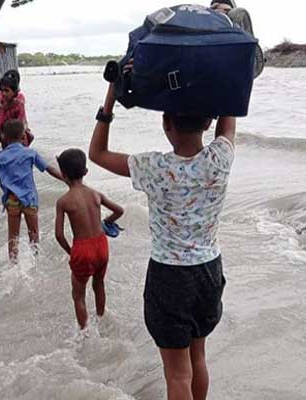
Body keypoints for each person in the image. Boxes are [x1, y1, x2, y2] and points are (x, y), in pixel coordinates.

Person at [88, 78, 235, 400]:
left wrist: (111, 98)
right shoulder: (219, 160)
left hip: (169, 276)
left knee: (177, 374)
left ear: (165, 123)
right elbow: (230, 116)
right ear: (208, 122)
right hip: (209, 271)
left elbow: (96, 153)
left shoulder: (152, 166)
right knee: (198, 358)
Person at [54, 148, 124, 330]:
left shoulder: (64, 201)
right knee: (99, 284)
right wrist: (105, 222)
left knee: (78, 295)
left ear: (63, 174)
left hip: (82, 249)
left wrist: (71, 252)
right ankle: (101, 319)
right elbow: (119, 210)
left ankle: (84, 333)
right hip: (101, 245)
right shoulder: (95, 194)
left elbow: (59, 235)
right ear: (85, 172)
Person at [0, 119, 63, 263]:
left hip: (12, 200)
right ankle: (35, 261)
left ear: (3, 137)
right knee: (34, 234)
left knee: (13, 237)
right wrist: (67, 180)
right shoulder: (30, 153)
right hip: (29, 199)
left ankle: (13, 263)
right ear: (23, 136)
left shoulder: (0, 157)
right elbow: (49, 169)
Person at [0, 71, 34, 148]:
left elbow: (21, 122)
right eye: (2, 91)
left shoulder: (19, 102)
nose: (4, 93)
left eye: (7, 91)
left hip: (17, 136)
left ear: (15, 92)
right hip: (4, 135)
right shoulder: (1, 99)